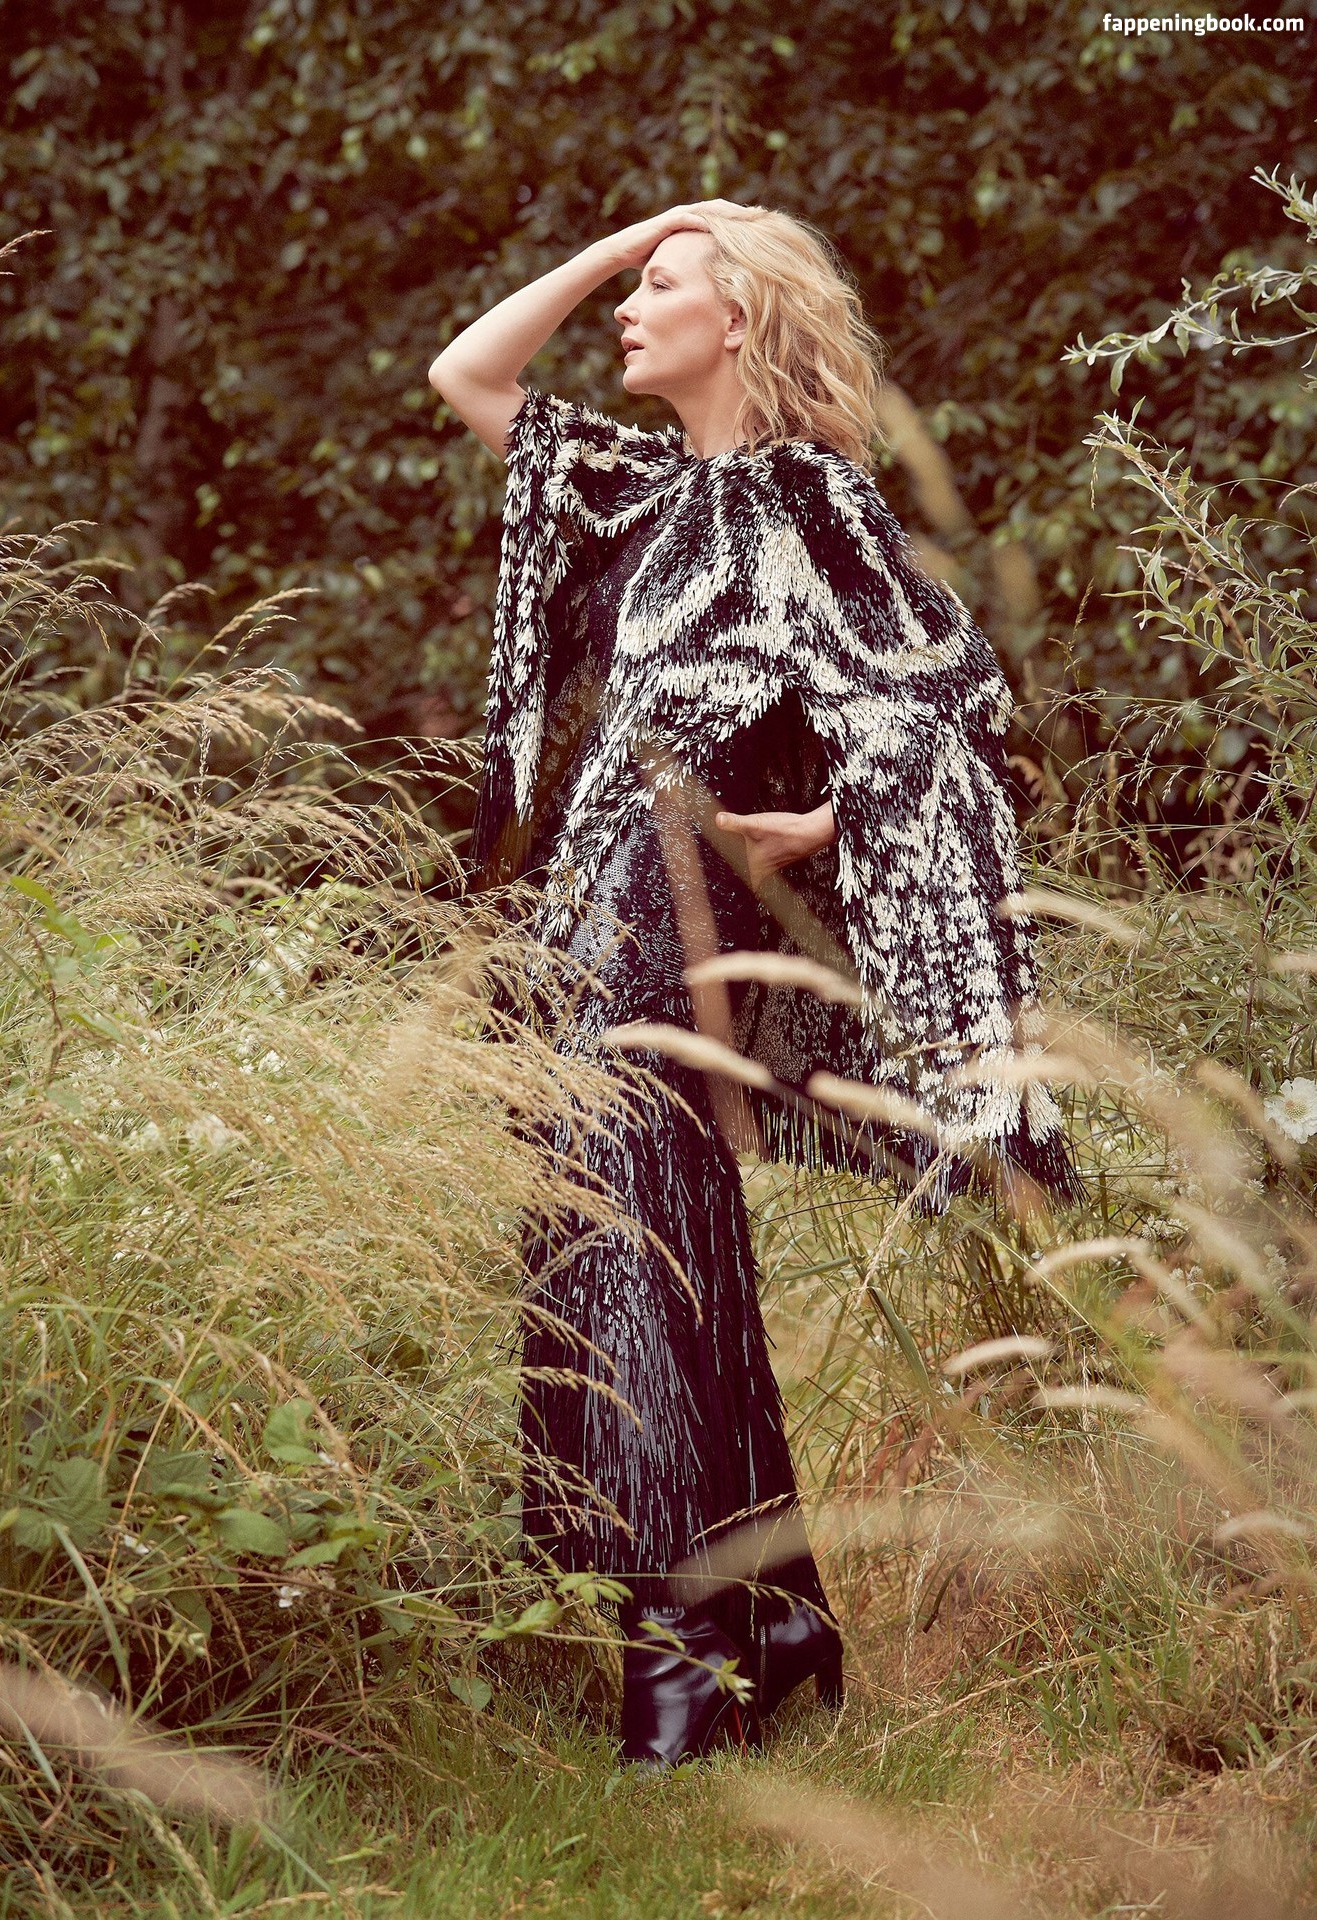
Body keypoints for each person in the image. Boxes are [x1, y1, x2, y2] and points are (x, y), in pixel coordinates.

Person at [428, 202, 1078, 1769]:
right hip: (582, 919)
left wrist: (834, 820)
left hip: (675, 921)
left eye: (661, 290)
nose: (627, 311)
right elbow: (468, 372)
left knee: (625, 1255)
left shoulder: (809, 499)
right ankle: (771, 1614)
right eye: (632, 289)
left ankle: (683, 1647)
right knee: (647, 1251)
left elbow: (951, 705)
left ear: (738, 323)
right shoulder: (641, 491)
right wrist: (627, 241)